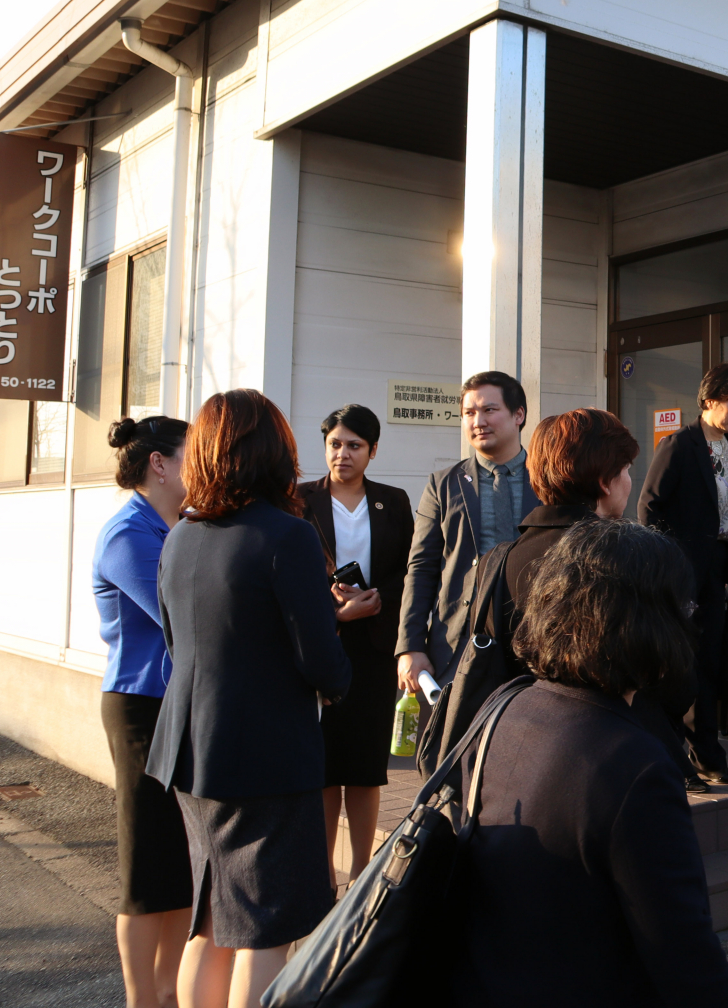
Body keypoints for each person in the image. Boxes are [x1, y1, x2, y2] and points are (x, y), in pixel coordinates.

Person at [451, 518, 728, 1008]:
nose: (690, 619)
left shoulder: (504, 705)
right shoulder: (635, 767)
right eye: (683, 605)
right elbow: (685, 958)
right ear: (646, 622)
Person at [146, 389, 356, 1008]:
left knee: (211, 921)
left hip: (189, 753)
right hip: (264, 758)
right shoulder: (286, 535)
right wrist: (341, 682)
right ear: (275, 451)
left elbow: (174, 638)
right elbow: (319, 658)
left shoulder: (180, 535)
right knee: (265, 929)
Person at [505, 407, 694, 777]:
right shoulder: (630, 558)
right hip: (619, 762)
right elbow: (675, 680)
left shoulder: (499, 560)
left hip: (521, 759)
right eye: (625, 470)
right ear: (605, 481)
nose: (629, 480)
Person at [92, 415, 194, 1008]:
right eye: (190, 455)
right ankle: (141, 998)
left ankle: (169, 990)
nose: (200, 465)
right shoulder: (128, 534)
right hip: (138, 708)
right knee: (145, 864)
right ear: (159, 464)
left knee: (181, 860)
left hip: (176, 704)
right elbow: (180, 619)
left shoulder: (176, 524)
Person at [297, 404, 413, 881]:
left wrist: (377, 601)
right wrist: (336, 610)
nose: (343, 454)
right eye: (335, 444)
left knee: (366, 766)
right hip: (322, 643)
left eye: (354, 446)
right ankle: (323, 873)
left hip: (374, 647)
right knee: (325, 767)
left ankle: (363, 872)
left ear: (373, 451)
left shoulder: (393, 500)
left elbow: (410, 571)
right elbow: (292, 578)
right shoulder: (300, 500)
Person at [641, 362, 728, 788]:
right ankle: (679, 759)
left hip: (716, 570)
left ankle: (709, 757)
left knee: (708, 664)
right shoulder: (679, 445)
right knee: (681, 668)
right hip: (682, 572)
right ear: (710, 400)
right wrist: (669, 562)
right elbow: (649, 506)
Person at [395, 371, 534, 693]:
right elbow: (422, 567)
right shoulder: (443, 484)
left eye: (489, 410)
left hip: (533, 637)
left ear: (518, 415)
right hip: (458, 642)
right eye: (469, 413)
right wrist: (410, 645)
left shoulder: (547, 480)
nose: (478, 421)